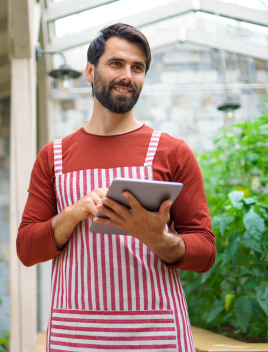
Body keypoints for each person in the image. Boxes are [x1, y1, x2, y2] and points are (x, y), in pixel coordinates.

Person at [16, 23, 216, 352]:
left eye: (137, 68)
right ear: (90, 71)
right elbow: (26, 249)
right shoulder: (53, 157)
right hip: (75, 334)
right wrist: (72, 214)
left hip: (156, 334)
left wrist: (160, 239)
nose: (127, 75)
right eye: (116, 64)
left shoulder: (173, 152)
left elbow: (205, 251)